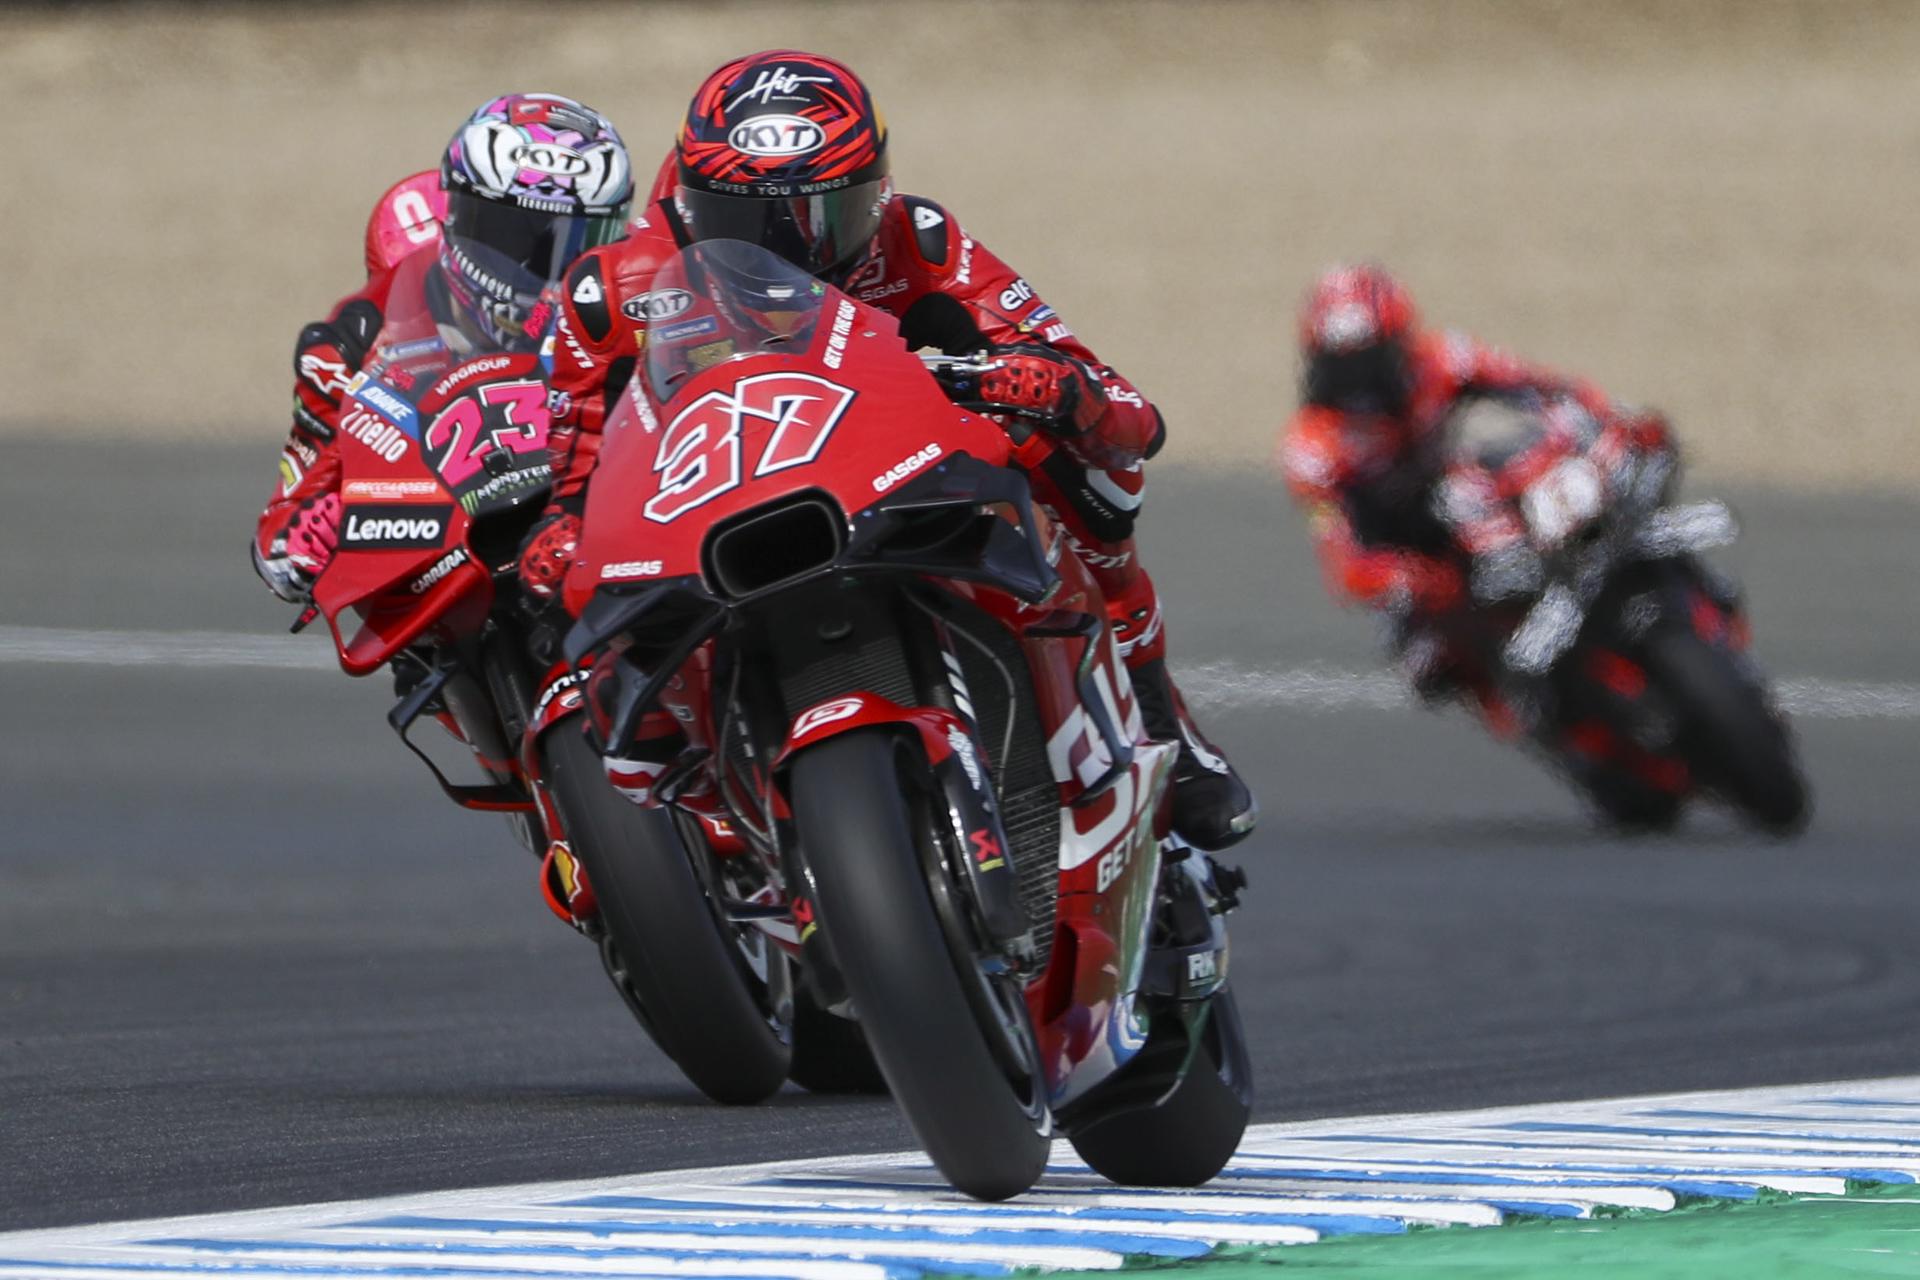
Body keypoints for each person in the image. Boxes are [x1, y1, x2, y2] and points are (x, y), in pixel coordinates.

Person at [516, 50, 1256, 851]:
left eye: (822, 216)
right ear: (691, 206)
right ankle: (693, 820)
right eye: (746, 224)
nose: (786, 251)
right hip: (708, 507)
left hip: (889, 468)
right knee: (572, 612)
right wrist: (560, 521)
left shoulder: (920, 242)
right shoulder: (611, 290)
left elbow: (1124, 409)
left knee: (1093, 466)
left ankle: (1155, 710)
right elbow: (575, 449)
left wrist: (1058, 389)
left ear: (878, 191)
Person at [250, 93, 633, 604]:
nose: (540, 268)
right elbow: (276, 542)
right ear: (455, 221)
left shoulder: (620, 312)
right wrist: (312, 531)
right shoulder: (356, 339)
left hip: (588, 552)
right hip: (443, 595)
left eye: (575, 241)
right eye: (510, 239)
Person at [1278, 262, 1664, 716]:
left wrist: (1606, 420)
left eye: (1370, 362)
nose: (1359, 382)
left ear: (1399, 344)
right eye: (1342, 366)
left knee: (1596, 470)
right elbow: (1344, 561)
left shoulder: (1444, 359)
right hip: (1415, 561)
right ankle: (1540, 720)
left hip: (1482, 504)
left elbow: (1543, 385)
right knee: (1436, 669)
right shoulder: (1311, 449)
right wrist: (1413, 580)